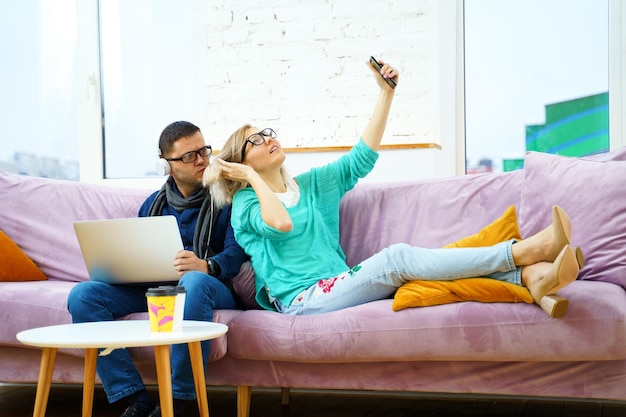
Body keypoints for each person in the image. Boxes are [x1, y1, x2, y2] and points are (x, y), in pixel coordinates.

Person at [203, 59, 580, 317]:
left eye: (269, 132)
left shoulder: (314, 184)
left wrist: (387, 94)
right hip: (302, 300)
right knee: (397, 258)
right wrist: (250, 180)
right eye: (256, 141)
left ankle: (532, 278)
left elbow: (361, 157)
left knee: (416, 270)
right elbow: (281, 224)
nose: (269, 139)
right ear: (241, 162)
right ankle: (523, 252)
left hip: (339, 283)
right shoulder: (246, 205)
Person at [68, 121, 247, 417]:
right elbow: (139, 254)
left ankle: (177, 399)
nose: (201, 160)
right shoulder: (152, 204)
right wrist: (121, 267)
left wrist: (206, 265)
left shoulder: (227, 198)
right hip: (157, 289)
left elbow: (236, 253)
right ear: (168, 164)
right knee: (83, 295)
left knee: (194, 282)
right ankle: (135, 397)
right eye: (189, 156)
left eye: (203, 150)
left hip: (211, 287)